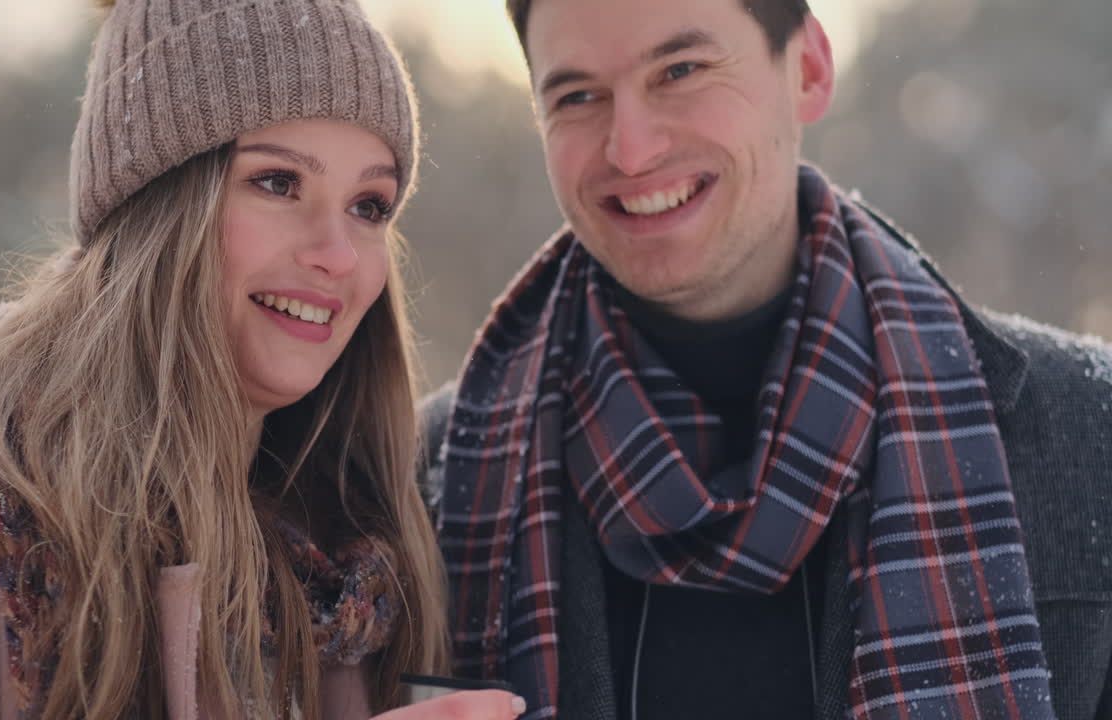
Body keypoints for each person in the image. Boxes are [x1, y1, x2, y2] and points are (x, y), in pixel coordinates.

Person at [0, 1, 528, 719]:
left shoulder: (363, 575)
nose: (338, 255)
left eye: (370, 206)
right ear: (156, 209)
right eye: (279, 183)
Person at [421, 1, 1112, 719]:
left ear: (808, 68)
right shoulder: (412, 485)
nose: (630, 148)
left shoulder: (1090, 439)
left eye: (681, 69)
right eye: (577, 96)